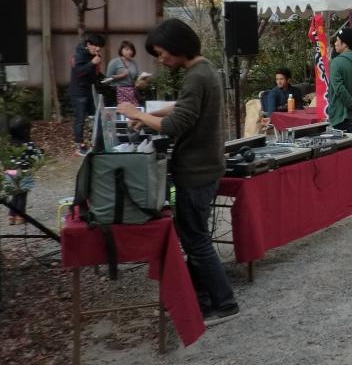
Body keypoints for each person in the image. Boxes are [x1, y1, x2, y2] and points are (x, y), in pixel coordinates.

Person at [115, 19, 239, 326]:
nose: (161, 59)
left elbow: (175, 125)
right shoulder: (204, 69)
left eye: (161, 53)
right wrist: (148, 116)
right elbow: (183, 106)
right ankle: (205, 300)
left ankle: (224, 304)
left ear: (177, 47)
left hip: (196, 172)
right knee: (196, 238)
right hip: (204, 168)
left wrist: (137, 114)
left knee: (197, 241)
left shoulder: (196, 76)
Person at [69, 33, 106, 155]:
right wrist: (93, 63)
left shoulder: (93, 55)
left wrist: (104, 79)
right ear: (88, 44)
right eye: (95, 46)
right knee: (80, 119)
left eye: (100, 46)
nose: (98, 49)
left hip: (89, 89)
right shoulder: (79, 55)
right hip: (78, 91)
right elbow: (79, 72)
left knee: (94, 116)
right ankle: (78, 145)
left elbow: (93, 73)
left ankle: (93, 142)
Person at [4, 116, 43, 226]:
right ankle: (20, 217)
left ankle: (11, 216)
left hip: (10, 172)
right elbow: (37, 156)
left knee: (14, 194)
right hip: (23, 172)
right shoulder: (29, 145)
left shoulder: (8, 144)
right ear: (26, 131)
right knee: (22, 196)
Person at [106, 40, 141, 106]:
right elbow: (108, 77)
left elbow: (136, 77)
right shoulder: (115, 62)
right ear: (121, 50)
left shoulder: (134, 63)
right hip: (117, 91)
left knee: (133, 111)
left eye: (131, 50)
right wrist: (121, 75)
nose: (129, 52)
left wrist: (142, 79)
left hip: (131, 92)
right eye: (127, 49)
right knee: (121, 111)